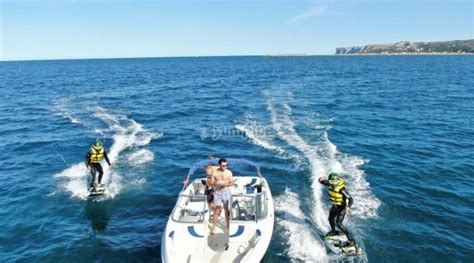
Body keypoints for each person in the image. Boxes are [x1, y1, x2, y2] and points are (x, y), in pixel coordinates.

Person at [319, 172, 354, 245]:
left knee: (338, 223)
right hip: (335, 206)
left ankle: (351, 240)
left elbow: (351, 199)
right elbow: (322, 181)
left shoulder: (342, 189)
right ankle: (334, 232)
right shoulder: (331, 184)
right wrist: (320, 179)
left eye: (332, 182)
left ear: (336, 181)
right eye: (330, 182)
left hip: (342, 207)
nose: (331, 183)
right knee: (330, 219)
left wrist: (348, 207)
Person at [210, 158, 234, 235]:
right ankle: (214, 227)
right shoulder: (215, 173)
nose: (225, 167)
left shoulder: (229, 172)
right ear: (220, 165)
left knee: (227, 209)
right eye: (223, 165)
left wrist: (224, 184)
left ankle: (228, 225)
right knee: (216, 210)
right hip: (217, 193)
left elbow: (232, 183)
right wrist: (219, 183)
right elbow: (211, 183)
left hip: (226, 192)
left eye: (226, 165)